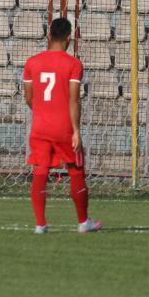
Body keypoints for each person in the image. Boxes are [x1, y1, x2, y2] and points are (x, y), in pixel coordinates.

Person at [22, 17, 102, 235]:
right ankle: (84, 222)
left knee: (40, 171)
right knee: (76, 171)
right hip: (64, 128)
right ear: (69, 38)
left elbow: (28, 97)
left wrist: (42, 112)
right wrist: (76, 131)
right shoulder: (73, 64)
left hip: (40, 127)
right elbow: (74, 100)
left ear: (49, 36)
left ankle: (40, 225)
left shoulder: (32, 62)